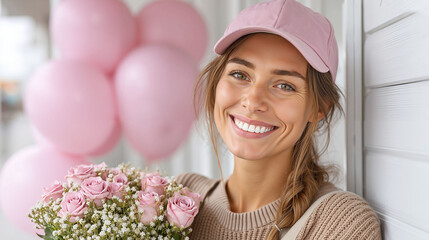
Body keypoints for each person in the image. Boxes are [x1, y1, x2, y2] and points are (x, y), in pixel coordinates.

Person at [177, 0, 382, 239]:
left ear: (319, 108)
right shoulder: (180, 196)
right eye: (240, 74)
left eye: (285, 85)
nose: (253, 101)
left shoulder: (340, 222)